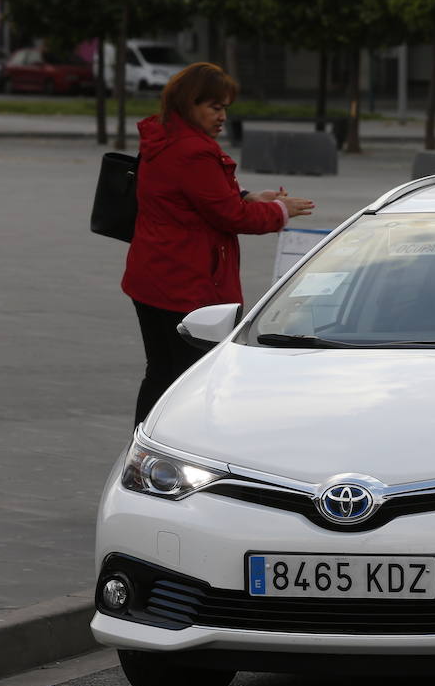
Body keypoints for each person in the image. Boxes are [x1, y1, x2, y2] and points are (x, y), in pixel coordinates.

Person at [122, 62, 315, 425]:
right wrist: (279, 212)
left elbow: (196, 197)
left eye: (225, 107)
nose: (223, 116)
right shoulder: (195, 151)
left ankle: (143, 439)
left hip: (152, 275)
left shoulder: (162, 137)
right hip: (185, 281)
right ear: (189, 104)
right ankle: (173, 445)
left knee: (162, 370)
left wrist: (248, 195)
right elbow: (230, 216)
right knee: (191, 375)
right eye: (215, 107)